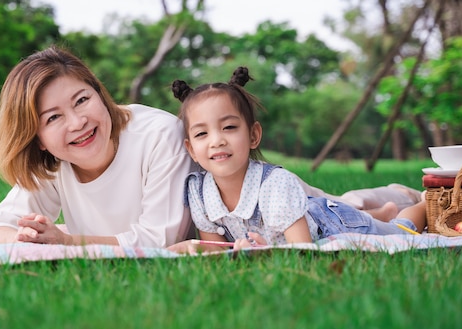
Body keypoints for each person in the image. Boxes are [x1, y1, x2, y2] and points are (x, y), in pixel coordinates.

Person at [167, 67, 427, 254]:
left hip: (330, 225)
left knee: (401, 233)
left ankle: (424, 205)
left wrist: (265, 253)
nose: (216, 141)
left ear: (254, 135)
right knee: (354, 214)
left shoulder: (275, 185)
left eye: (229, 128)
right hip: (306, 212)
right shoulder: (198, 191)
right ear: (191, 149)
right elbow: (217, 252)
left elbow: (303, 251)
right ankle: (378, 212)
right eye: (202, 133)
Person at [0, 45, 197, 248]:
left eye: (82, 100)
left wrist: (67, 242)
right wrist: (26, 238)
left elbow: (162, 240)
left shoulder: (160, 135)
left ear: (99, 94)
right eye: (53, 117)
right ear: (37, 139)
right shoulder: (55, 161)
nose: (77, 123)